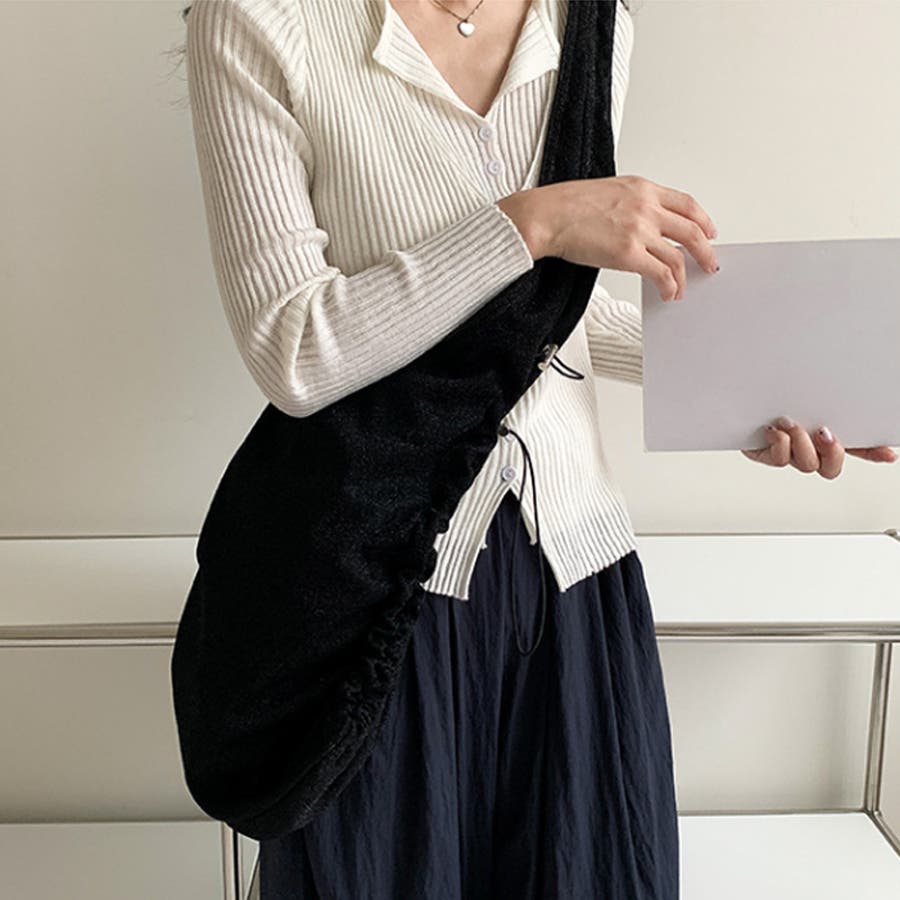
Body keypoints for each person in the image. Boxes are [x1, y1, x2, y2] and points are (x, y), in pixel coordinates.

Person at [177, 1, 897, 897]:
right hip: (382, 587)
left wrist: (768, 389)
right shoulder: (260, 21)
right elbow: (294, 348)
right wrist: (532, 223)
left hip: (578, 574)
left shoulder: (589, 20)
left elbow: (553, 316)